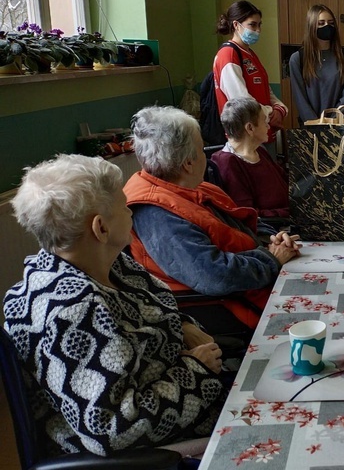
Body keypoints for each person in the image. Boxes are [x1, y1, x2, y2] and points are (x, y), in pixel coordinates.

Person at [3, 154, 226, 458]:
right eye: (124, 207)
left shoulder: (111, 264)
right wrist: (196, 370)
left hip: (192, 402)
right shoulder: (72, 311)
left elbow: (155, 308)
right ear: (101, 228)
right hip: (154, 450)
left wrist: (183, 325)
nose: (130, 212)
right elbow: (112, 429)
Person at [124, 106, 300, 329]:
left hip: (253, 278)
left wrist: (273, 237)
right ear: (188, 163)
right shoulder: (157, 214)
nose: (206, 156)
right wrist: (271, 259)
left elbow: (241, 222)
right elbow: (216, 276)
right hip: (225, 302)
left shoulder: (193, 187)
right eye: (201, 149)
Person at [213, 0, 288, 146]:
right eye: (252, 25)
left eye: (259, 25)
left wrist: (280, 109)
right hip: (246, 139)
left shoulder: (249, 54)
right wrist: (270, 113)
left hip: (263, 132)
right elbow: (242, 101)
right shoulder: (228, 55)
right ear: (236, 25)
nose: (258, 30)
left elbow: (267, 91)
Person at [211, 97, 289, 217]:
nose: (268, 127)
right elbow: (249, 215)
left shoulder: (260, 150)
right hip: (276, 227)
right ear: (250, 128)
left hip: (291, 211)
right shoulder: (228, 163)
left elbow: (284, 179)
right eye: (264, 121)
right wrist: (291, 212)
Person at [289, 4, 344, 124]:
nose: (327, 26)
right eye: (321, 23)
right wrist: (316, 124)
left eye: (330, 23)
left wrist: (334, 122)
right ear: (311, 26)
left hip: (340, 125)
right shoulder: (298, 59)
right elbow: (300, 98)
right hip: (310, 126)